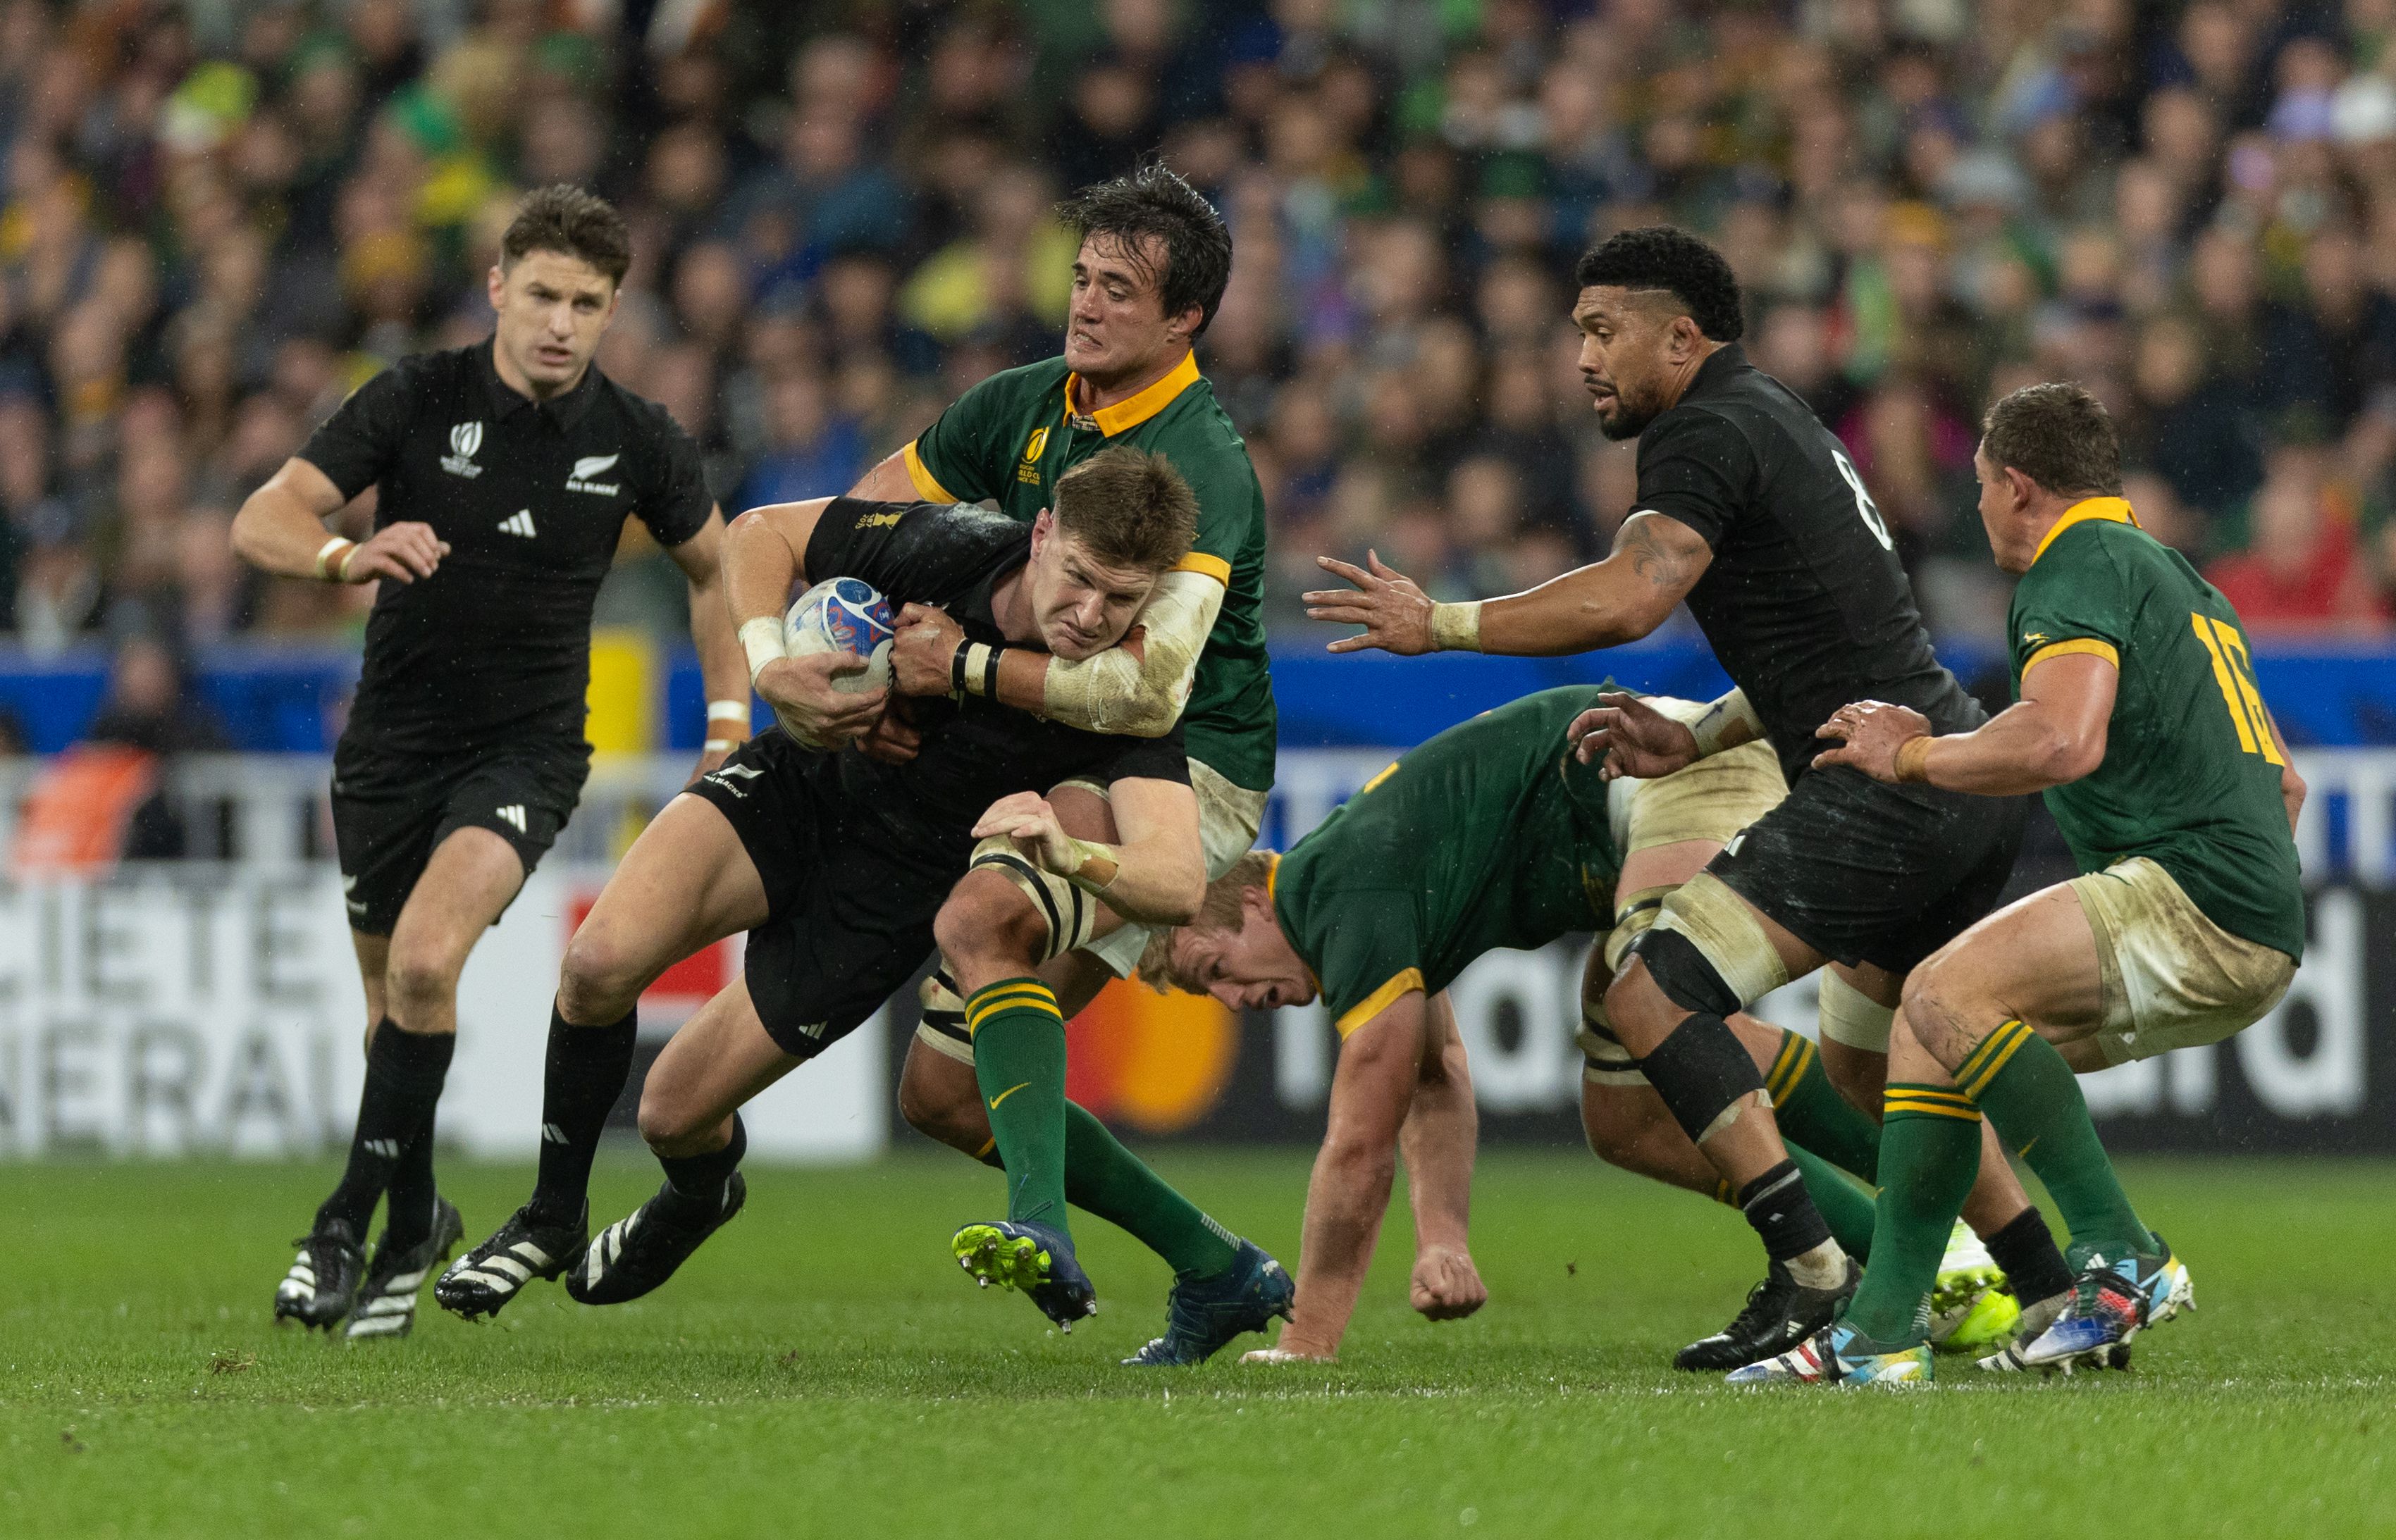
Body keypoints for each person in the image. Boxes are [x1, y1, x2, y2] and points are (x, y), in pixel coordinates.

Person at [1304, 226, 2068, 1369]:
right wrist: (1700, 730)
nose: (1584, 358)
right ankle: (2055, 1291)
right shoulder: (1772, 415)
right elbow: (1825, 643)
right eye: (1576, 334)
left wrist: (1444, 624)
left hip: (1886, 791)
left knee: (1645, 991)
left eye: (1604, 330)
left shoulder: (1704, 426)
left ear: (1682, 335)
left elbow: (1630, 597)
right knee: (1873, 1069)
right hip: (1936, 758)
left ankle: (1813, 1267)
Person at [433, 448, 1278, 1330]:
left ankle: (698, 1196)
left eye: (1122, 599)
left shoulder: (1123, 699)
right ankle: (551, 1216)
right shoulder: (946, 548)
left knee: (671, 1113)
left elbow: (1177, 879)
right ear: (1041, 534)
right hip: (801, 789)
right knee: (597, 965)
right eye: (1080, 579)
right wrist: (769, 666)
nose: (1091, 616)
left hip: (881, 903)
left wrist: (1071, 851)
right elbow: (760, 534)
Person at [232, 186, 748, 1341]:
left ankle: (338, 1226)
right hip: (388, 747)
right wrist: (343, 553)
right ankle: (415, 1217)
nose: (563, 323)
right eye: (547, 296)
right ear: (499, 288)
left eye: (590, 304)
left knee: (423, 965)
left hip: (523, 752)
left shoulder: (635, 438)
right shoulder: (419, 398)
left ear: (613, 310)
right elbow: (262, 516)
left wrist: (727, 720)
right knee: (391, 1010)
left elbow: (717, 570)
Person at [1152, 688, 2032, 1365]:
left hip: (1682, 771)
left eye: (1213, 972)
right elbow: (1435, 1072)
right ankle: (1897, 1250)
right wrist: (1443, 1241)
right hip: (1661, 790)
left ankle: (1911, 1248)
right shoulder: (1346, 892)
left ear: (1247, 897)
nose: (1234, 1000)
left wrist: (1309, 1336)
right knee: (1627, 1118)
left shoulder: (1332, 895)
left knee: (1664, 1012)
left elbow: (1359, 1142)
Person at [1736, 383, 2305, 1386]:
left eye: (1983, 487)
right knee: (1928, 1036)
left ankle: (2118, 1252)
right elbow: (2288, 783)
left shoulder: (2075, 565)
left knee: (1945, 992)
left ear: (2019, 485)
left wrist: (1912, 756)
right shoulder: (2177, 578)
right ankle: (1881, 1333)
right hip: (2251, 914)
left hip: (2195, 895)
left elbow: (2059, 738)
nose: (1983, 508)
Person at [844, 167, 1278, 1249]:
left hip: (1189, 770)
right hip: (1071, 751)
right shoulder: (1025, 402)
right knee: (940, 1100)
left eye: (1120, 290)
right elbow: (860, 524)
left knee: (986, 914)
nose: (1085, 303)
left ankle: (1038, 1229)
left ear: (1186, 319)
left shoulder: (1205, 464)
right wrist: (857, 662)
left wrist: (966, 671)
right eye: (1082, 278)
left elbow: (1146, 689)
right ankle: (1220, 1267)